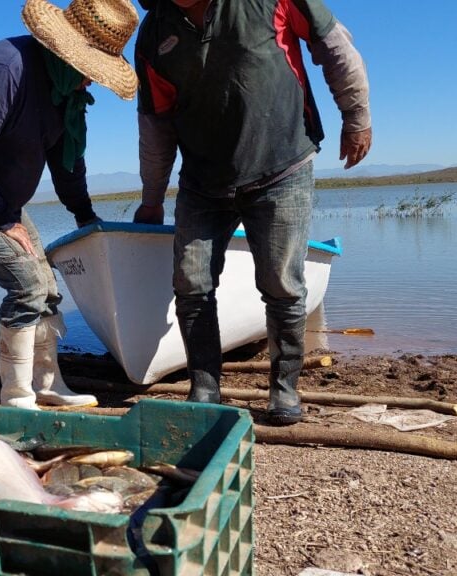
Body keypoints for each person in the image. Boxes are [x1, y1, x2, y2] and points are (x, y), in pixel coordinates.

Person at [132, 0, 372, 425]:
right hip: (203, 181)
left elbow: (335, 46)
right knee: (191, 282)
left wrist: (355, 116)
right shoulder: (154, 34)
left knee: (281, 283)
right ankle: (204, 387)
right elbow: (156, 124)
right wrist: (152, 199)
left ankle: (284, 389)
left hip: (283, 165)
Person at [0, 0, 139, 410]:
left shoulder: (66, 93)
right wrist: (4, 220)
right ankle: (17, 396)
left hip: (3, 201)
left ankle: (48, 384)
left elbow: (68, 166)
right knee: (27, 284)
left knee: (50, 289)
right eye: (91, 72)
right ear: (66, 50)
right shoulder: (6, 69)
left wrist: (87, 219)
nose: (91, 83)